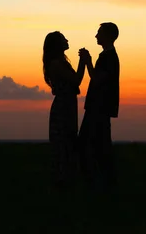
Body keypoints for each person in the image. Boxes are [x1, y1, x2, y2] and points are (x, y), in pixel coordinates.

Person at [78, 22, 120, 190]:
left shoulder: (108, 58)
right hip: (100, 108)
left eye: (99, 33)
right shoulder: (108, 56)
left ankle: (97, 182)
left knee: (88, 144)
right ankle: (104, 181)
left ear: (108, 36)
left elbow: (96, 78)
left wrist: (87, 61)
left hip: (99, 108)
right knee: (100, 146)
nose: (96, 36)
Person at [42, 31, 86, 190]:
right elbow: (76, 80)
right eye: (63, 39)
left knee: (68, 144)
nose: (67, 40)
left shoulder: (59, 62)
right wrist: (84, 61)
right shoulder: (56, 64)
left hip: (67, 105)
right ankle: (62, 183)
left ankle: (65, 181)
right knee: (63, 145)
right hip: (63, 107)